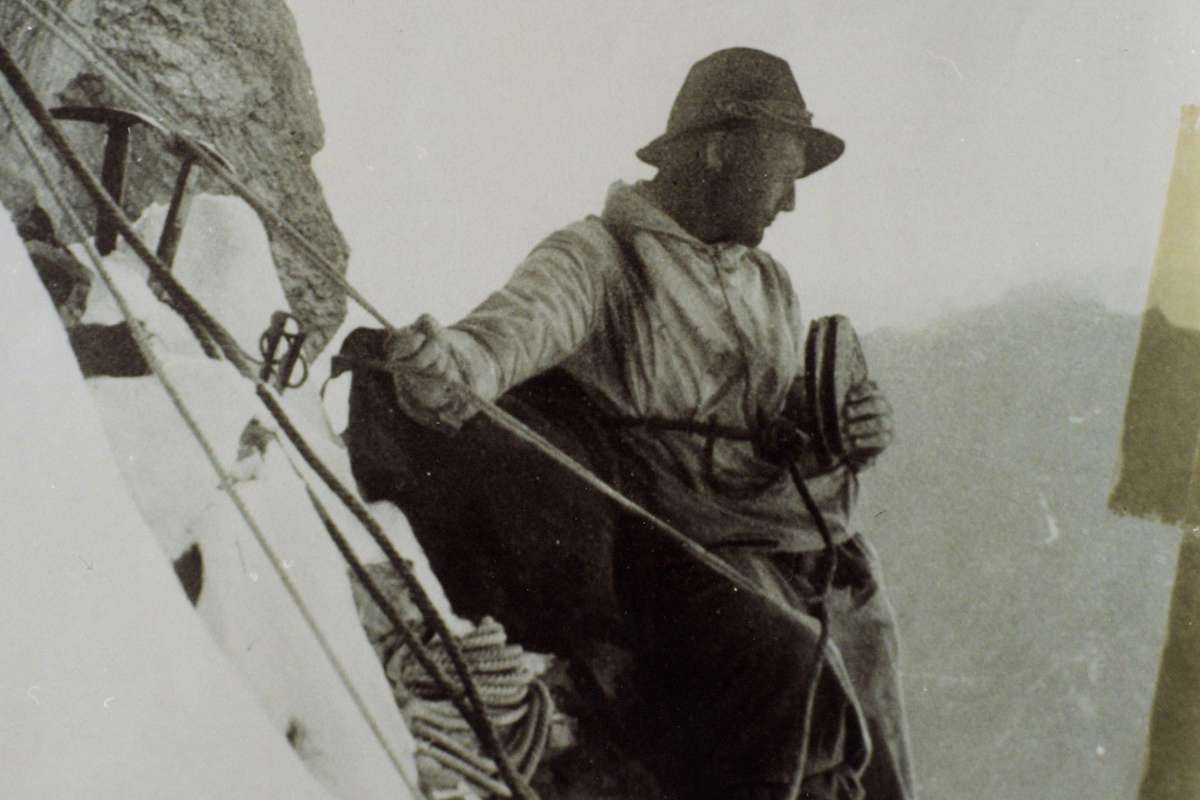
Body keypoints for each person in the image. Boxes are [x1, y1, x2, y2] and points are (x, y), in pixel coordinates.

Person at [383, 48, 915, 800]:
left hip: (780, 529)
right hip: (671, 544)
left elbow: (779, 416)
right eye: (782, 173)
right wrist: (449, 365)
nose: (791, 201)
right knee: (784, 659)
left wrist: (849, 426)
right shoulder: (598, 259)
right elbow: (507, 336)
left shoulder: (769, 283)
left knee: (866, 626)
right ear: (719, 148)